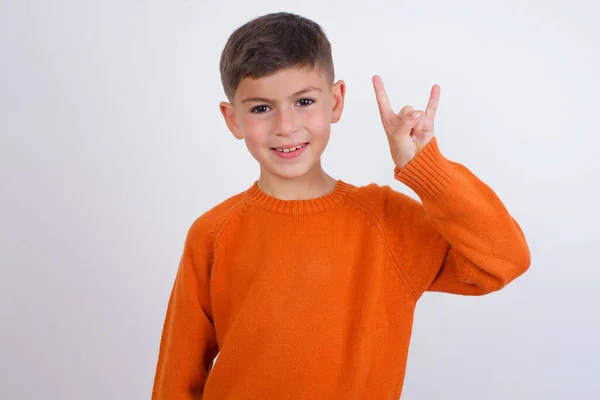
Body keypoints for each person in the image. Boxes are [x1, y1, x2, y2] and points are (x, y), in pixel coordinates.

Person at [151, 11, 530, 400]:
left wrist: (424, 167)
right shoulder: (213, 232)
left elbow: (503, 261)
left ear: (335, 102)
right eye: (261, 108)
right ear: (233, 119)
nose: (285, 125)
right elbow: (177, 377)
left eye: (304, 101)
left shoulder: (386, 222)